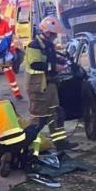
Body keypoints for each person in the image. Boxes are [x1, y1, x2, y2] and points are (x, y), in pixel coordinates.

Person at [25, 23, 77, 152]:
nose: (55, 37)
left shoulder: (48, 45)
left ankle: (60, 143)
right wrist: (54, 68)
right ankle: (26, 144)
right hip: (38, 87)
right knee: (38, 119)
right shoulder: (34, 46)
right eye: (54, 34)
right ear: (47, 32)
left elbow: (51, 59)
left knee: (56, 114)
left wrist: (62, 61)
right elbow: (36, 64)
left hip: (50, 85)